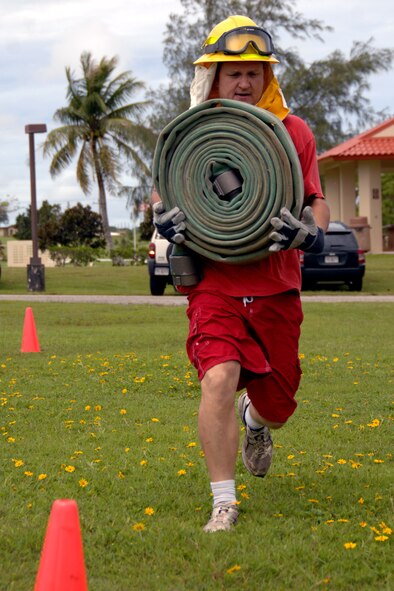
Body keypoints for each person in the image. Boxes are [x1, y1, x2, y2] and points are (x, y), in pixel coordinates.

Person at [151, 15, 330, 533]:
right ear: (213, 77)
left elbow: (315, 200)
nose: (245, 82)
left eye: (255, 72)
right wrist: (163, 218)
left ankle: (257, 422)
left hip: (276, 284)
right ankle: (223, 502)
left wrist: (311, 235)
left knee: (279, 404)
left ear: (268, 78)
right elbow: (165, 192)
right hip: (215, 284)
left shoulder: (294, 132)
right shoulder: (193, 133)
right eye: (234, 73)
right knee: (218, 378)